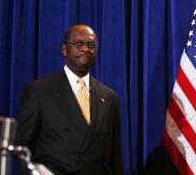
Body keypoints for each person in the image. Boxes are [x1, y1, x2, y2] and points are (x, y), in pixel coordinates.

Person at [15, 25, 123, 175]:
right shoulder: (39, 91)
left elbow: (115, 153)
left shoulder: (109, 96)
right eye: (79, 44)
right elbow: (22, 147)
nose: (86, 49)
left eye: (91, 45)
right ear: (64, 49)